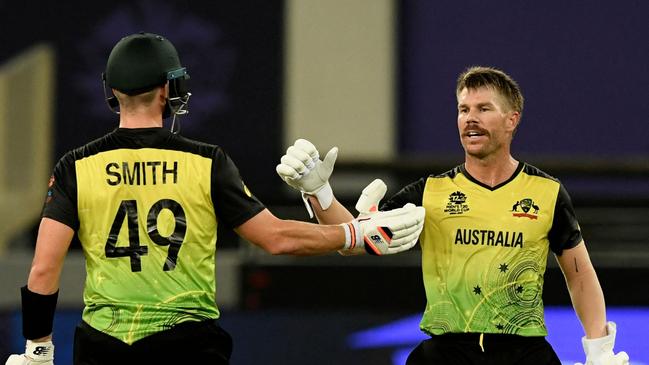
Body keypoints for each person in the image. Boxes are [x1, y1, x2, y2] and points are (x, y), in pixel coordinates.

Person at [5, 32, 426, 365]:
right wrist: (355, 233)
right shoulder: (206, 162)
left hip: (103, 347)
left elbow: (43, 269)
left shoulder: (75, 166)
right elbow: (275, 238)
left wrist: (38, 350)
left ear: (112, 90)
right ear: (169, 89)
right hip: (187, 345)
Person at [276, 66, 630, 364]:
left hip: (524, 352)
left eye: (483, 109)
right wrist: (319, 192)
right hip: (445, 353)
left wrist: (600, 350)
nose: (470, 119)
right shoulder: (429, 192)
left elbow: (580, 275)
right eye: (463, 109)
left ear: (512, 120)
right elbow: (352, 240)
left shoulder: (547, 192)